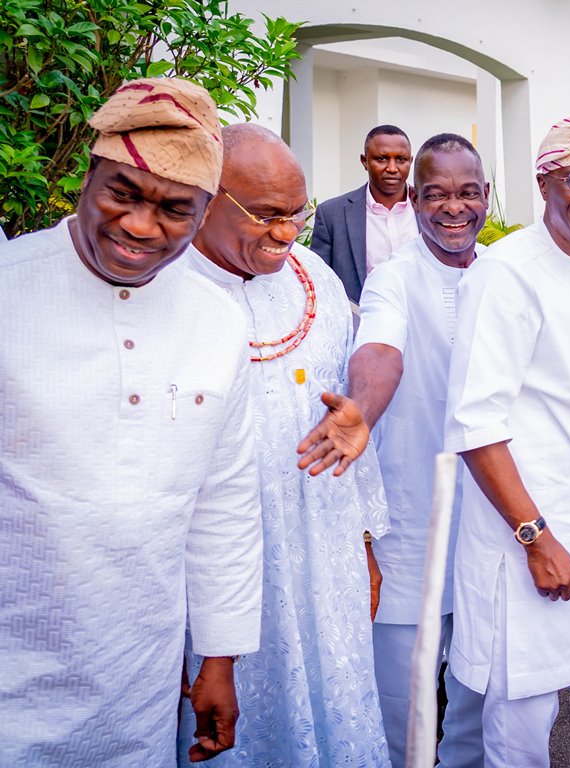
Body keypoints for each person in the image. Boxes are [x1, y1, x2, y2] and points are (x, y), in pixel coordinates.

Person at [0, 78, 263, 766]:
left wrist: (219, 656)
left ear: (204, 215)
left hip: (137, 673)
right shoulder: (8, 289)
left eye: (174, 208)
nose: (141, 227)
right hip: (12, 658)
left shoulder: (217, 320)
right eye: (124, 193)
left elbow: (224, 500)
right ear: (87, 178)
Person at [174, 123, 390, 767]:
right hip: (216, 563)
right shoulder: (164, 287)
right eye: (265, 215)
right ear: (208, 198)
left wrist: (365, 543)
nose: (285, 233)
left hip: (325, 553)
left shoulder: (316, 278)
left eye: (297, 214)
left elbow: (345, 412)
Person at [444, 109, 570, 766]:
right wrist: (536, 537)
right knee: (523, 729)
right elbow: (476, 426)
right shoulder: (503, 274)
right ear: (544, 181)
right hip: (526, 537)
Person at [342, 132, 488, 767]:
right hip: (410, 528)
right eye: (436, 195)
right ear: (414, 200)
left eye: (467, 193)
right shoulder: (392, 280)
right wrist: (360, 412)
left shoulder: (506, 276)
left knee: (481, 708)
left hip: (492, 525)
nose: (453, 208)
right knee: (403, 714)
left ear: (488, 196)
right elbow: (379, 351)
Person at [309, 125, 417, 303]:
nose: (392, 168)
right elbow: (319, 281)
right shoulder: (332, 215)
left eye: (401, 159)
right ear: (364, 161)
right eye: (381, 159)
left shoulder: (430, 207)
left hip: (422, 325)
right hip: (361, 324)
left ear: (410, 161)